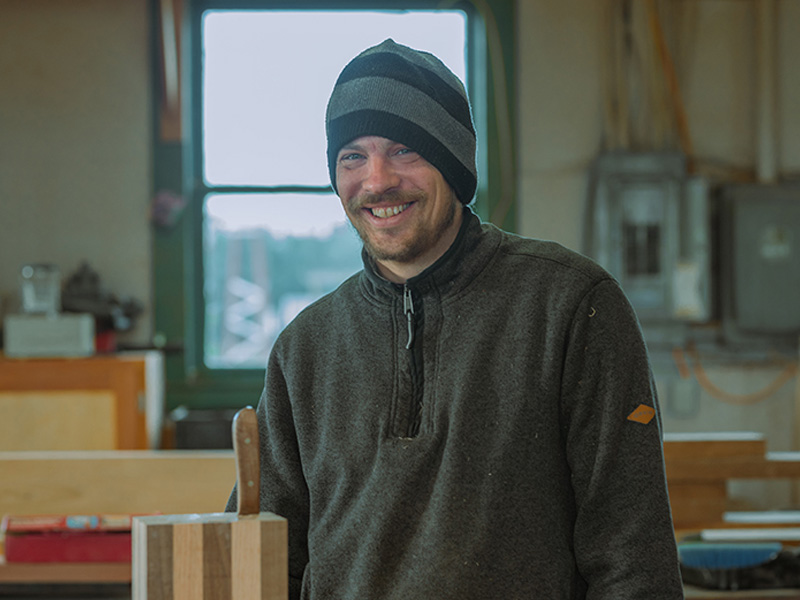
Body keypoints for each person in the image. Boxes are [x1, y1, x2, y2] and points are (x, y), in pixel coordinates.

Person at [227, 38, 684, 599]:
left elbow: (633, 561)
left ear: (453, 162)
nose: (376, 181)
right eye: (352, 156)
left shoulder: (570, 307)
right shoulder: (306, 349)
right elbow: (265, 564)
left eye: (403, 150)